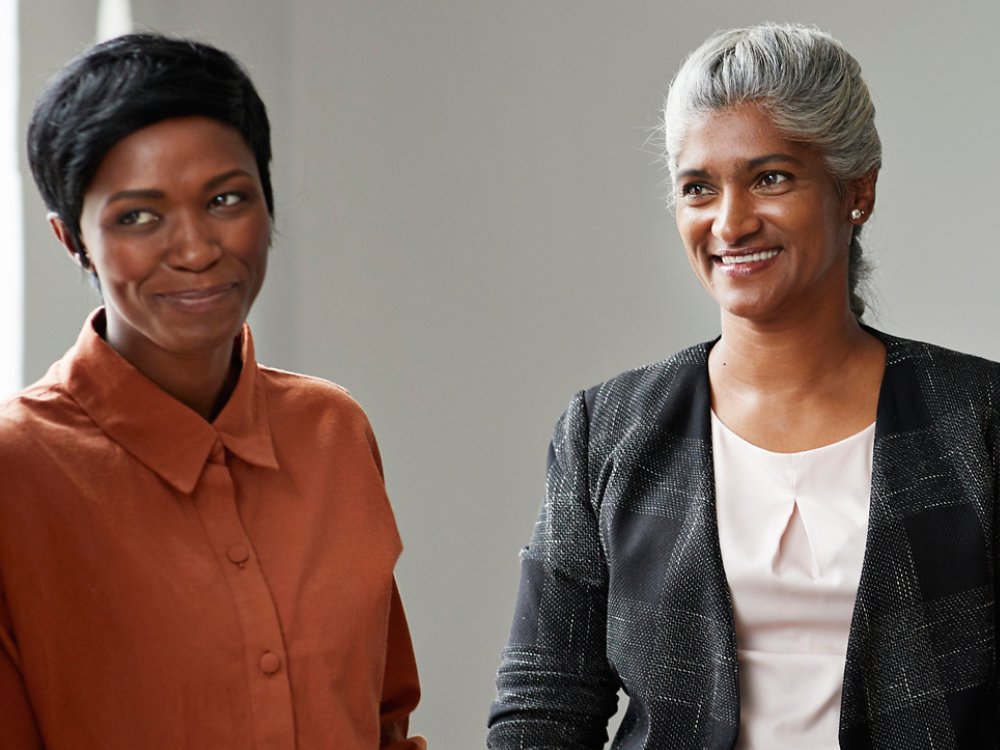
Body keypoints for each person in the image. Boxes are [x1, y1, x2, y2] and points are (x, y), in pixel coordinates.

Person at [488, 22, 999, 749]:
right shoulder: (605, 431)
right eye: (698, 188)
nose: (730, 222)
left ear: (857, 189)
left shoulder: (977, 418)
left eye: (771, 178)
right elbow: (541, 712)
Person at [1, 34, 425, 749]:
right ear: (71, 238)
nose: (197, 250)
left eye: (226, 198)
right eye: (138, 215)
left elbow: (381, 722)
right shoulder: (16, 474)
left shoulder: (333, 431)